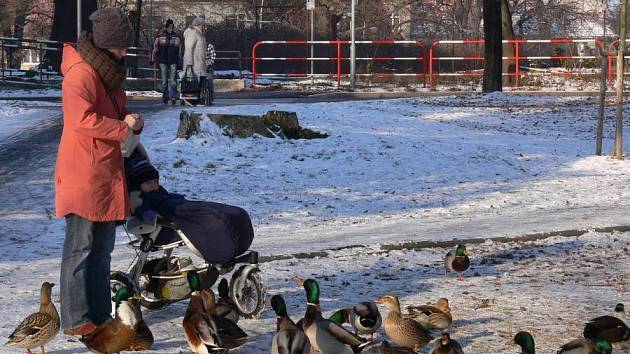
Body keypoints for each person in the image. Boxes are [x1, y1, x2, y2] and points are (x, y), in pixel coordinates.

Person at [55, 7, 143, 336]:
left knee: (102, 250)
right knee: (80, 248)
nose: (125, 52)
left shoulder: (107, 73)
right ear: (107, 44)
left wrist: (133, 120)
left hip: (105, 174)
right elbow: (81, 121)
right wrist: (123, 128)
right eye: (122, 46)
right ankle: (77, 319)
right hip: (83, 174)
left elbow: (116, 113)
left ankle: (100, 314)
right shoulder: (81, 74)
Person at [124, 148, 254, 265]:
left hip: (176, 210)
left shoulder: (158, 192)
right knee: (213, 219)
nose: (154, 185)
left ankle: (233, 236)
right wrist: (151, 215)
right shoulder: (138, 197)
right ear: (137, 185)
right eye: (148, 183)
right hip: (163, 227)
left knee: (230, 212)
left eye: (155, 181)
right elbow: (141, 210)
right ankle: (223, 244)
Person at [150, 19, 182, 104]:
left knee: (173, 80)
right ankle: (165, 97)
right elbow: (155, 48)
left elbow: (179, 50)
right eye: (169, 27)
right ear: (166, 27)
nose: (171, 28)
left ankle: (173, 96)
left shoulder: (176, 37)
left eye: (172, 27)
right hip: (163, 60)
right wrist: (152, 59)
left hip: (173, 60)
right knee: (164, 81)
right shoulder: (160, 36)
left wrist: (180, 61)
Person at [183, 17, 208, 90]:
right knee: (192, 86)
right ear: (200, 25)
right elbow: (188, 48)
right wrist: (189, 63)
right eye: (204, 26)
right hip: (194, 65)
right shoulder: (192, 32)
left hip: (199, 64)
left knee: (199, 86)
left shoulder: (200, 34)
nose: (204, 28)